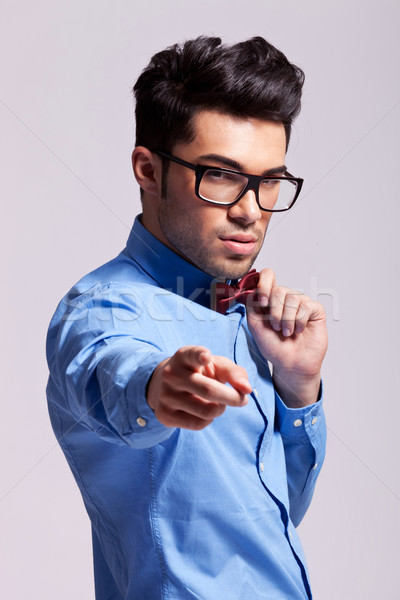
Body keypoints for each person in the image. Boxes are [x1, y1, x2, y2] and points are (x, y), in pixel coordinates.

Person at [46, 35, 328, 600]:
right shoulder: (102, 308)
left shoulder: (249, 317)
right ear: (148, 171)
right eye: (221, 175)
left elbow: (272, 518)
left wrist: (299, 388)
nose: (250, 210)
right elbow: (109, 367)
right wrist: (156, 386)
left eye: (269, 180)